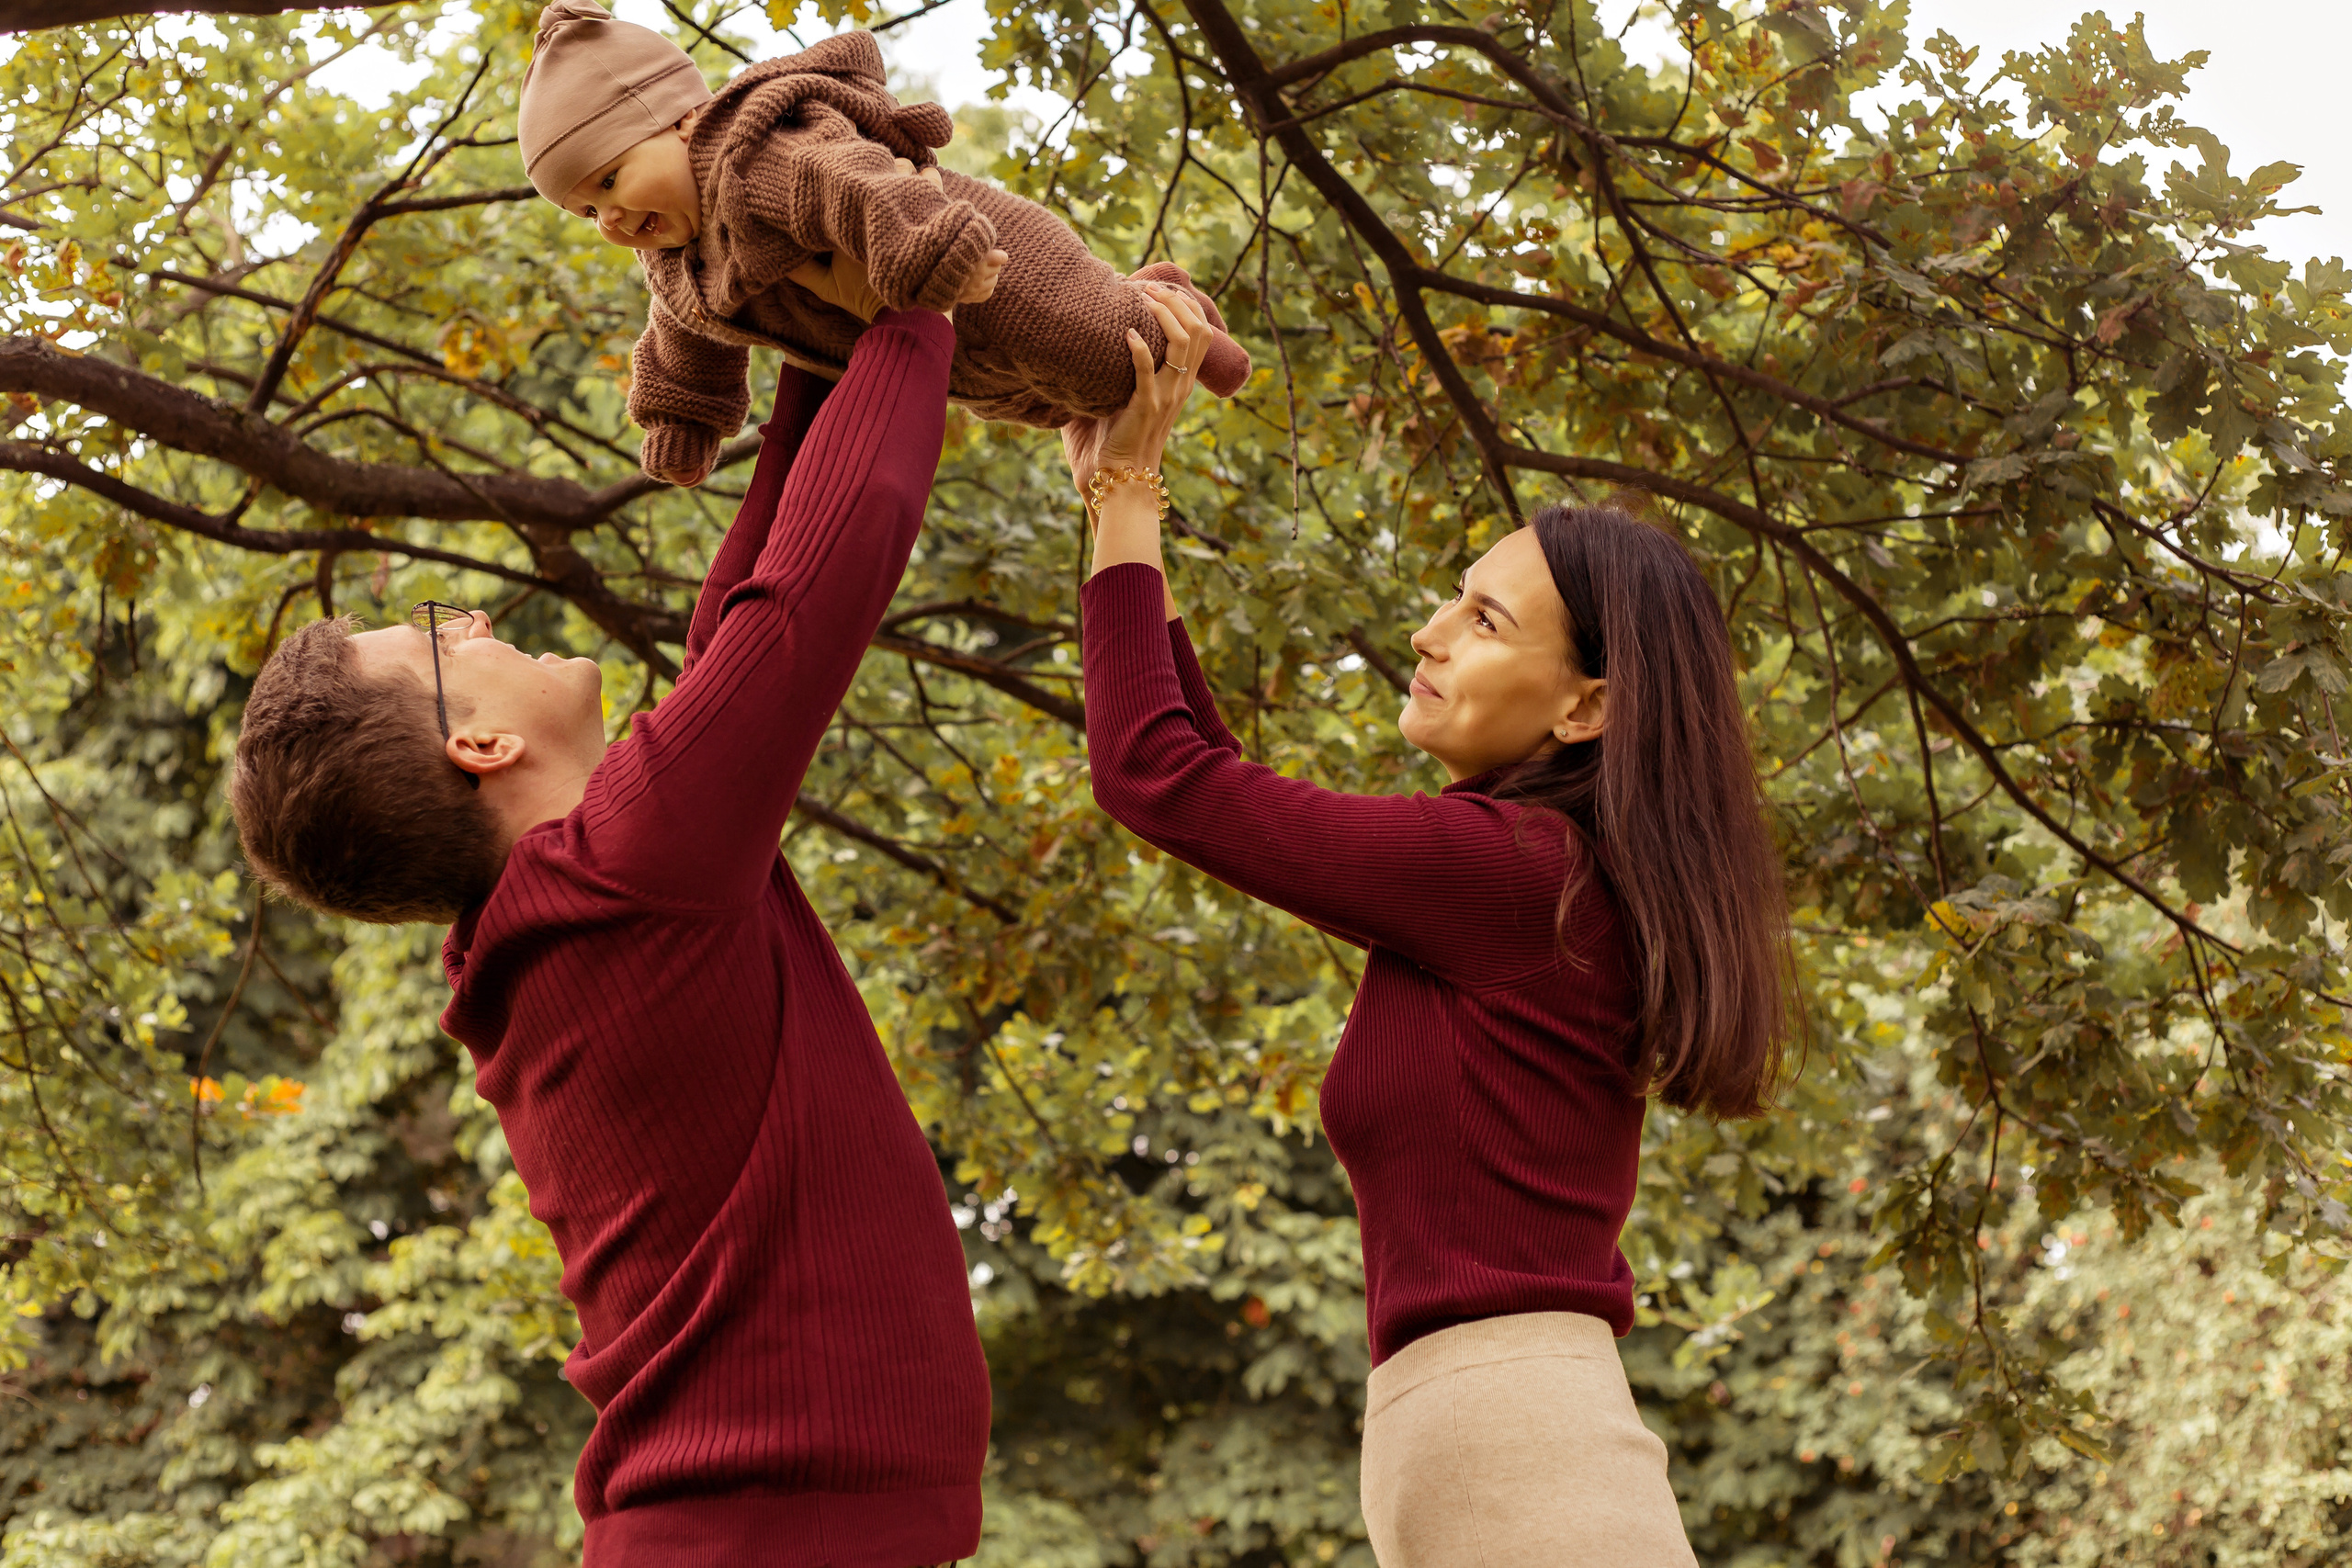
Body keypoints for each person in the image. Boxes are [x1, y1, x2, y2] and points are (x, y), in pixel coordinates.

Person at [229, 243, 989, 1567]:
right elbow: (811, 588)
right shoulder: (626, 878)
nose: (473, 622)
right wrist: (917, 275)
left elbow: (742, 617)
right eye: (439, 638)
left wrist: (811, 306)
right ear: (476, 747)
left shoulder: (577, 907)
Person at [1070, 285, 1798, 1566]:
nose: (1430, 631)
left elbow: (1157, 776)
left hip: (1515, 1437)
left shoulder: (1515, 871)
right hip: (1492, 1432)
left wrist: (1130, 488)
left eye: (1485, 619)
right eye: (1456, 597)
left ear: (1585, 709)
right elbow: (1202, 773)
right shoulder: (1530, 881)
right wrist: (1123, 508)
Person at [515, 0, 1248, 484]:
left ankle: (1170, 308)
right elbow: (685, 342)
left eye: (610, 180)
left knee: (1101, 345)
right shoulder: (676, 266)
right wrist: (682, 412)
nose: (609, 219)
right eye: (586, 212)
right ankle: (1139, 305)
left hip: (985, 263)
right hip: (946, 346)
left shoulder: (757, 158)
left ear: (679, 121)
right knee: (1045, 401)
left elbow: (853, 181)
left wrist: (919, 248)